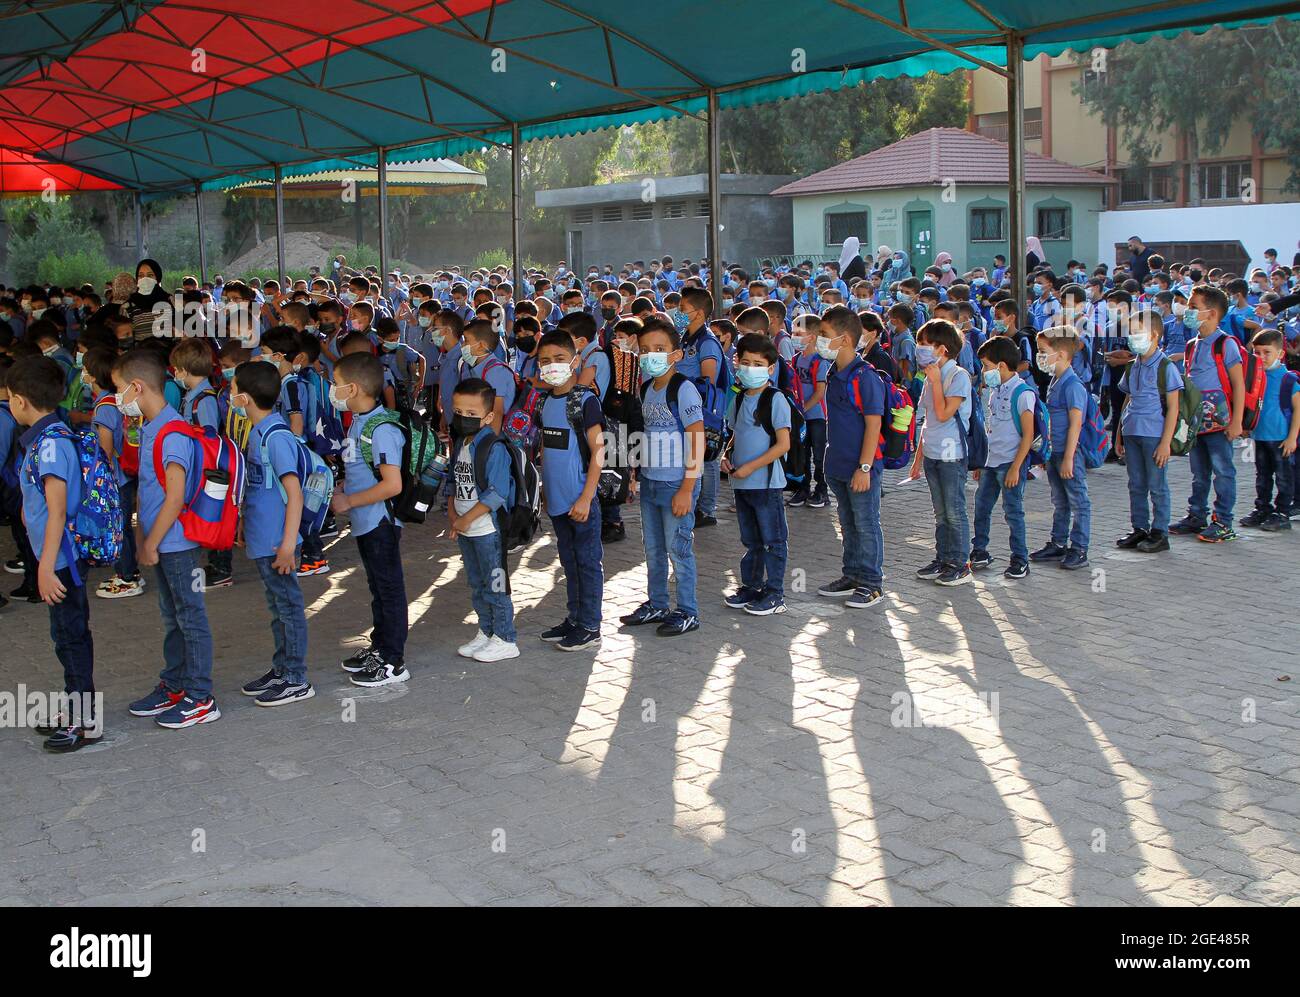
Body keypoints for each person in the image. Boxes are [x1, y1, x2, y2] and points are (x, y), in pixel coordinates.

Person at [116, 350, 221, 729]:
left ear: (137, 387)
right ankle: (175, 684)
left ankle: (200, 696)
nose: (118, 399)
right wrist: (143, 533)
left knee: (191, 616)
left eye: (118, 390)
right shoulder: (151, 426)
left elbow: (175, 497)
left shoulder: (172, 431)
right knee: (172, 615)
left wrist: (148, 542)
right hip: (161, 541)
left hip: (177, 544)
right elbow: (149, 489)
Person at [9, 356, 98, 751]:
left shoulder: (49, 445)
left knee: (71, 638)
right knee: (66, 636)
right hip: (57, 558)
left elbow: (57, 510)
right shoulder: (53, 435)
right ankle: (75, 708)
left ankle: (84, 721)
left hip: (59, 561)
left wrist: (45, 569)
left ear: (21, 401)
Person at [227, 361, 315, 705]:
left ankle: (296, 677)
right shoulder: (260, 430)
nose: (230, 394)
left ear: (245, 398)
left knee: (289, 607)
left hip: (279, 542)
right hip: (265, 539)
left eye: (233, 389)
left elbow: (293, 493)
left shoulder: (277, 436)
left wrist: (288, 544)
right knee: (278, 607)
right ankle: (281, 669)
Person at [620, 315, 703, 636]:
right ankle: (657, 603)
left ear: (676, 354)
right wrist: (635, 475)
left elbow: (696, 439)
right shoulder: (646, 388)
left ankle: (687, 610)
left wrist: (687, 488)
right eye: (645, 349)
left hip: (677, 483)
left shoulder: (683, 390)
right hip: (652, 481)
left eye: (659, 348)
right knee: (653, 549)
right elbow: (645, 434)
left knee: (678, 549)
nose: (650, 355)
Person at [331, 352, 411, 686]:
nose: (332, 391)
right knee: (378, 587)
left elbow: (393, 485)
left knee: (389, 589)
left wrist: (350, 499)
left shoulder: (381, 429)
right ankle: (380, 647)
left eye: (336, 385)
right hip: (365, 521)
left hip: (380, 521)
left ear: (352, 389)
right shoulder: (360, 420)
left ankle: (393, 661)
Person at [535, 330, 605, 651]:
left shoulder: (584, 401)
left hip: (581, 500)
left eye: (559, 359)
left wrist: (587, 496)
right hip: (558, 501)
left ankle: (590, 626)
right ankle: (574, 618)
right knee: (569, 561)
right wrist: (545, 491)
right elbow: (547, 451)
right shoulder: (545, 401)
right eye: (545, 361)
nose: (552, 366)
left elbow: (599, 453)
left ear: (574, 360)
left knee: (588, 562)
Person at [816, 306, 886, 608]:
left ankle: (871, 582)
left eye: (824, 335)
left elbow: (874, 424)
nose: (818, 340)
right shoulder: (833, 372)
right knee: (848, 522)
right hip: (838, 465)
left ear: (844, 339)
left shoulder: (865, 377)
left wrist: (865, 467)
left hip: (861, 467)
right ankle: (852, 574)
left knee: (866, 523)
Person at [446, 378, 519, 662]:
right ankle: (486, 631)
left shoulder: (493, 446)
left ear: (488, 416)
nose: (464, 418)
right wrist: (454, 516)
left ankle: (505, 637)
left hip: (488, 530)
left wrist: (467, 519)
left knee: (496, 583)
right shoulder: (461, 444)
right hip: (466, 529)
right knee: (476, 583)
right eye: (459, 412)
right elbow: (454, 483)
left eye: (472, 414)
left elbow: (497, 492)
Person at [1169, 285, 1244, 543]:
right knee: (1199, 472)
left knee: (1223, 470)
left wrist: (1236, 422)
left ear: (1211, 313)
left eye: (1193, 307)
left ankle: (1224, 521)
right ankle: (1197, 515)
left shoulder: (1226, 344)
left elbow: (1239, 384)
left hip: (1220, 423)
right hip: (1196, 421)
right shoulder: (1192, 345)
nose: (1188, 311)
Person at [723, 334, 790, 616]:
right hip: (742, 484)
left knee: (772, 540)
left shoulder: (774, 399)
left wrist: (752, 466)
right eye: (746, 362)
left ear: (770, 368)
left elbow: (783, 444)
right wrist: (726, 456)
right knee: (750, 540)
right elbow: (735, 434)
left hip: (765, 484)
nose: (750, 368)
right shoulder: (738, 399)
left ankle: (775, 593)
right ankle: (751, 585)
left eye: (758, 363)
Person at [908, 318, 974, 586]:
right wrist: (917, 459)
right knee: (940, 512)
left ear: (942, 348)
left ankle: (960, 563)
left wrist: (935, 383)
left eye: (925, 344)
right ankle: (943, 558)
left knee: (953, 510)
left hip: (952, 454)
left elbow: (946, 413)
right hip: (933, 453)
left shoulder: (958, 376)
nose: (920, 349)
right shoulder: (931, 375)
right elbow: (928, 419)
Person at [1115, 310, 1182, 553]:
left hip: (1155, 434)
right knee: (1136, 484)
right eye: (1131, 332)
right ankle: (1139, 528)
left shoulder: (1166, 367)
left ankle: (1159, 532)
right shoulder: (1132, 366)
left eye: (1137, 332)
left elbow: (1173, 407)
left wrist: (1166, 443)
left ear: (1154, 334)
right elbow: (1127, 400)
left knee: (1157, 485)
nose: (1132, 337)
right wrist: (1119, 434)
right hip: (1132, 431)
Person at [970, 337, 1035, 579]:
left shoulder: (1023, 393)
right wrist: (982, 461)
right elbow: (992, 429)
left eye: (986, 366)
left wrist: (1016, 467)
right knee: (982, 508)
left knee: (1013, 512)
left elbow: (1027, 435)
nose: (984, 372)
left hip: (1010, 464)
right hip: (991, 462)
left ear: (1001, 366)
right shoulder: (996, 391)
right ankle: (980, 551)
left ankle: (1020, 558)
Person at [1031, 326, 1091, 569]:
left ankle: (1079, 547)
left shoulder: (1073, 385)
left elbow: (1075, 424)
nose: (1040, 357)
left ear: (1062, 354)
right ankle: (1058, 543)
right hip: (1054, 451)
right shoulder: (1056, 380)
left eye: (1043, 352)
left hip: (1068, 452)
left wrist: (1068, 457)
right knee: (1060, 499)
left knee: (1078, 500)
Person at [1241, 330, 1299, 531]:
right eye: (1257, 352)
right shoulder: (1255, 377)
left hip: (1281, 438)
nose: (1261, 357)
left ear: (1280, 354)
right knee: (1262, 475)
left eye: (1267, 352)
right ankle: (1262, 508)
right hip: (1260, 436)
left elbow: (1298, 409)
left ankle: (1282, 512)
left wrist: (1292, 437)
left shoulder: (1288, 380)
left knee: (1284, 477)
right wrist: (1246, 427)